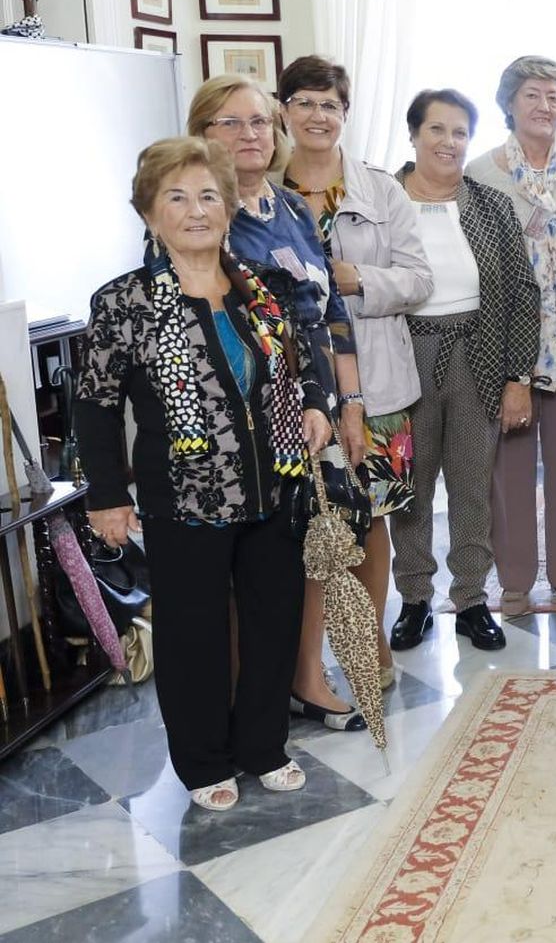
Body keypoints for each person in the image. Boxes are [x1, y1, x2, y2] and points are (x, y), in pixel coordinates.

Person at [77, 136, 332, 810]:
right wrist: (106, 495)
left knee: (273, 622)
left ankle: (263, 744)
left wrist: (316, 406)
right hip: (182, 500)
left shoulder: (263, 287)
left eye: (209, 196)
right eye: (177, 198)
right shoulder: (123, 303)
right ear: (151, 213)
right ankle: (203, 761)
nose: (196, 211)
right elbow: (96, 405)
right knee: (194, 637)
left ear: (228, 207)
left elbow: (305, 358)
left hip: (274, 485)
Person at [189, 74, 367, 729]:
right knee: (251, 560)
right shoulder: (198, 212)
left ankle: (305, 674)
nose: (249, 135)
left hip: (314, 408)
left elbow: (329, 311)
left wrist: (343, 403)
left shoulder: (293, 208)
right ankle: (248, 690)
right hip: (243, 416)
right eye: (230, 124)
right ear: (202, 133)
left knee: (318, 540)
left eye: (259, 122)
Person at [278, 55, 434, 710]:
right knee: (304, 525)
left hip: (378, 383)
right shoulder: (261, 189)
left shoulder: (379, 190)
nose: (319, 115)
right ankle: (302, 661)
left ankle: (368, 644)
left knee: (370, 519)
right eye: (306, 102)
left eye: (331, 104)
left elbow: (419, 278)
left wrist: (359, 282)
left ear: (346, 113)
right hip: (290, 390)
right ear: (283, 108)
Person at [387, 89, 540, 653]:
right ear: (414, 135)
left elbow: (525, 295)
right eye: (437, 130)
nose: (448, 142)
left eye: (459, 133)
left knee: (473, 485)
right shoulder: (384, 202)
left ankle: (472, 600)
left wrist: (517, 376)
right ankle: (414, 599)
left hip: (479, 354)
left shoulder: (491, 206)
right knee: (410, 487)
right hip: (404, 358)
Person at [467, 56, 556, 613]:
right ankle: (516, 580)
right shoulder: (481, 173)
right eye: (531, 95)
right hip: (507, 344)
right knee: (509, 467)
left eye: (552, 96)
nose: (544, 106)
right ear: (508, 103)